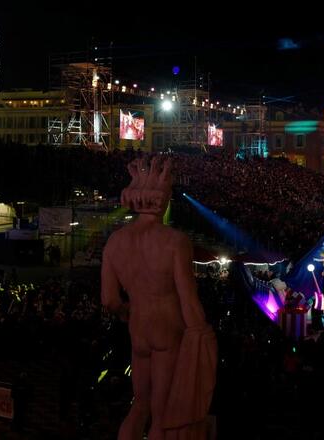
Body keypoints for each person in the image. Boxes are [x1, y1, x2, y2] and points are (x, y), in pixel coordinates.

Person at [102, 156, 216, 440]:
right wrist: (201, 336)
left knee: (139, 406)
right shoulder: (175, 241)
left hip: (138, 328)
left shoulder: (115, 242)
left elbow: (109, 300)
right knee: (163, 414)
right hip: (168, 329)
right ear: (162, 200)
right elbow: (188, 299)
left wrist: (127, 311)